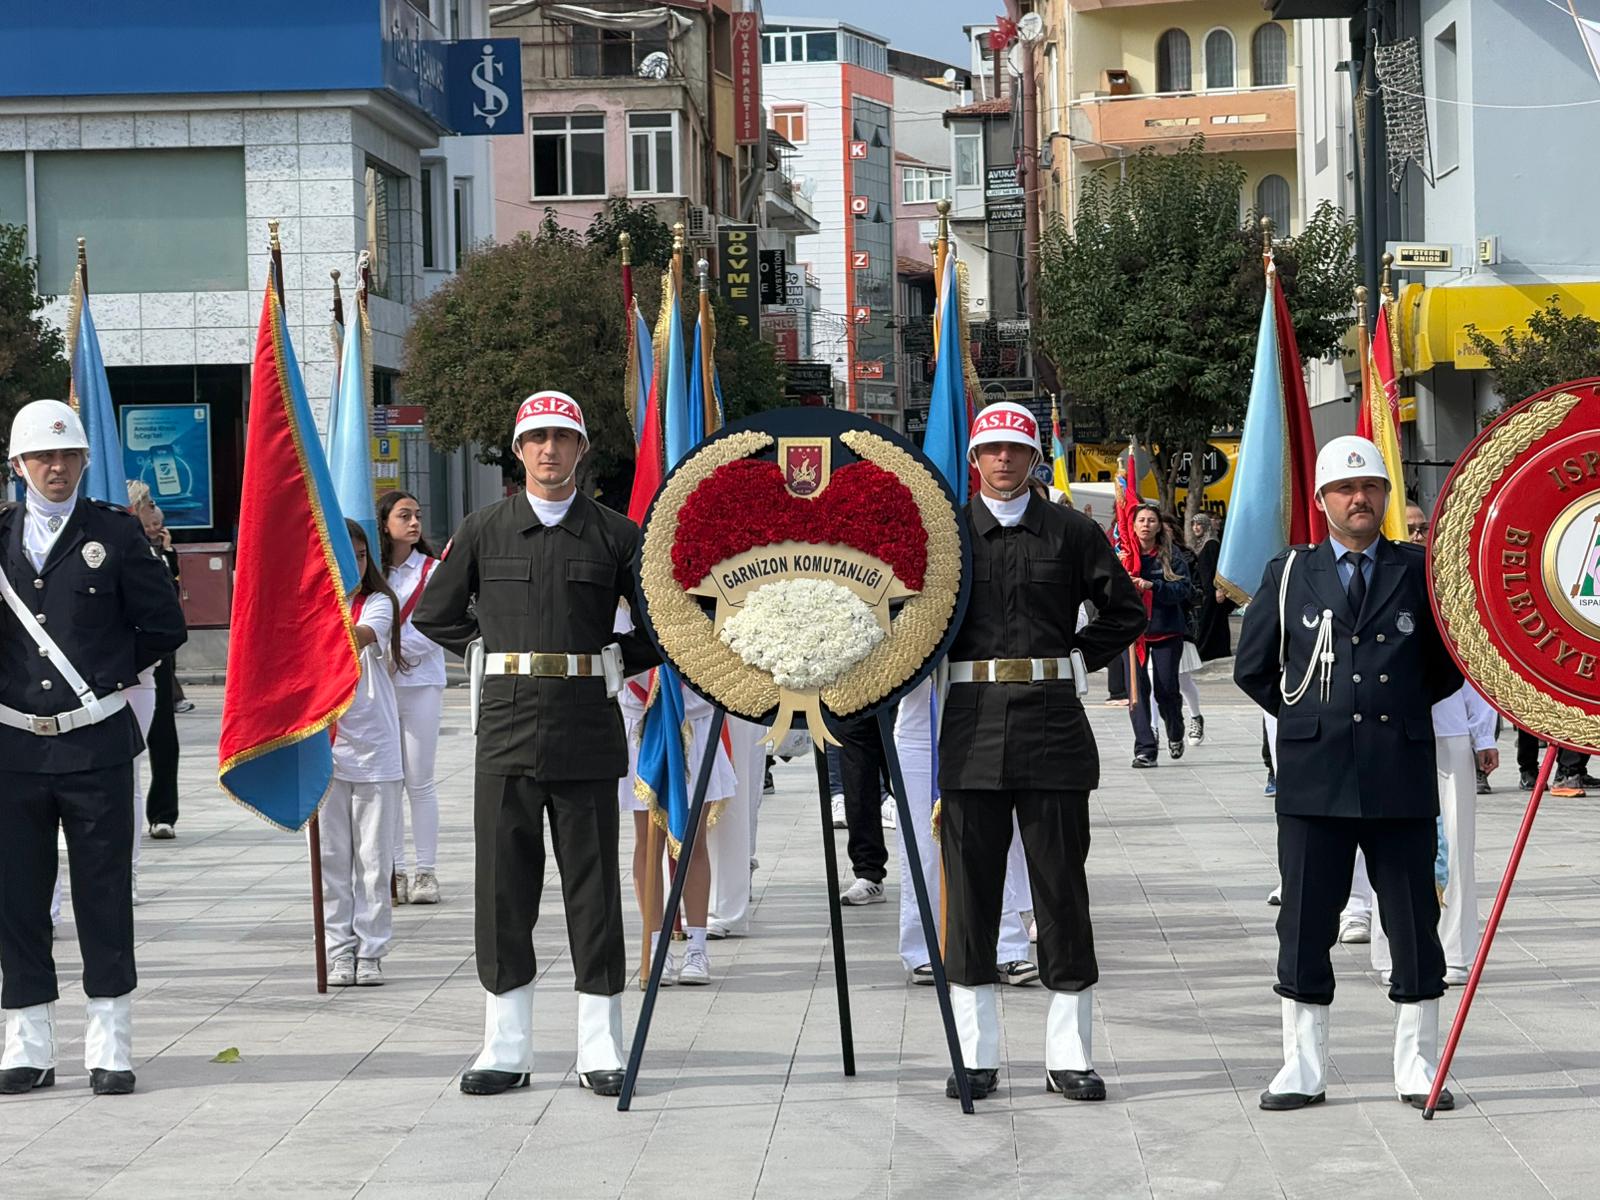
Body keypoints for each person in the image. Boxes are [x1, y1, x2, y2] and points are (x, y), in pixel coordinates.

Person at [413, 390, 658, 1098]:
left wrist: (619, 659)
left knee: (593, 892)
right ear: (518, 452)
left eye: (563, 438)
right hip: (508, 732)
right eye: (537, 439)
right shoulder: (485, 529)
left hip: (586, 728)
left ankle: (599, 1046)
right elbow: (435, 613)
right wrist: (487, 651)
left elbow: (662, 622)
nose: (550, 451)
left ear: (584, 449)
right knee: (504, 892)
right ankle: (505, 1047)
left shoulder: (616, 535)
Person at [1235, 435, 1464, 1112]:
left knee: (1413, 921)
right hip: (1315, 774)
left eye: (1370, 489)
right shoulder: (1289, 572)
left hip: (1398, 770)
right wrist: (1318, 716)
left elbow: (1447, 664)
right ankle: (1302, 1067)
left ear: (1386, 499)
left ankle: (1418, 1065)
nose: (1358, 499)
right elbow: (1254, 667)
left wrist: (1387, 707)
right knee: (1305, 921)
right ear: (1322, 500)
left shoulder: (1419, 571)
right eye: (1345, 489)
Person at [937, 402, 1145, 1103]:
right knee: (971, 898)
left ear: (1034, 458)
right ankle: (975, 1055)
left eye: (1015, 450)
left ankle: (1069, 1055)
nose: (1003, 461)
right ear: (974, 458)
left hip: (1054, 726)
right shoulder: (946, 535)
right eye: (991, 450)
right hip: (971, 729)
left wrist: (1080, 658)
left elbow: (1126, 609)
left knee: (1061, 891)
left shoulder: (1073, 531)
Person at [0, 400, 187, 1097]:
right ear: (17, 466)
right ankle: (29, 1043)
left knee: (104, 897)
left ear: (83, 461)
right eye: (42, 457)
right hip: (13, 748)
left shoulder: (114, 532)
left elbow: (163, 625)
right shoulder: (2, 537)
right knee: (16, 900)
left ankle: (110, 1042)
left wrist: (107, 672)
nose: (56, 467)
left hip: (97, 743)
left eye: (68, 455)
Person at [893, 677, 1038, 987]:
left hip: (984, 716)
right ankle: (924, 947)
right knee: (923, 844)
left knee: (999, 839)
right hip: (921, 727)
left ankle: (1007, 946)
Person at [617, 634, 733, 986]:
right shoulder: (623, 596)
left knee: (693, 842)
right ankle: (656, 946)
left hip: (693, 721)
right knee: (646, 841)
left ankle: (697, 947)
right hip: (641, 722)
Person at [322, 519, 406, 988]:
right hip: (326, 746)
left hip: (373, 749)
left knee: (374, 861)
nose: (350, 564)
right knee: (334, 860)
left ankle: (371, 950)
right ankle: (339, 951)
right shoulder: (311, 603)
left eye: (357, 556)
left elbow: (358, 636)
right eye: (340, 555)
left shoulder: (376, 603)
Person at [378, 489, 446, 905]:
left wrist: (397, 654)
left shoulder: (434, 570)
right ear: (385, 524)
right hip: (379, 686)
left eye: (418, 515)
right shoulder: (372, 573)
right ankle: (395, 871)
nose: (414, 522)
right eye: (404, 515)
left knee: (419, 780)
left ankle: (426, 871)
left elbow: (438, 623)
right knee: (387, 781)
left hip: (420, 683)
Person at [1125, 504, 1194, 768]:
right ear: (1132, 525)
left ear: (1158, 526)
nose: (1145, 525)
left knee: (1166, 689)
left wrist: (1153, 586)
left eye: (1151, 520)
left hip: (1166, 630)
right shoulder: (1123, 556)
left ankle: (1175, 730)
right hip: (1132, 634)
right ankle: (1145, 749)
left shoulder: (1171, 555)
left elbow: (1183, 589)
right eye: (1140, 520)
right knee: (1137, 692)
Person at [137, 500, 181, 839]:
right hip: (115, 657)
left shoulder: (156, 554)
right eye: (149, 504)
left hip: (155, 658)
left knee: (163, 736)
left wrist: (168, 554)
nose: (156, 511)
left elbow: (170, 599)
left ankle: (163, 813)